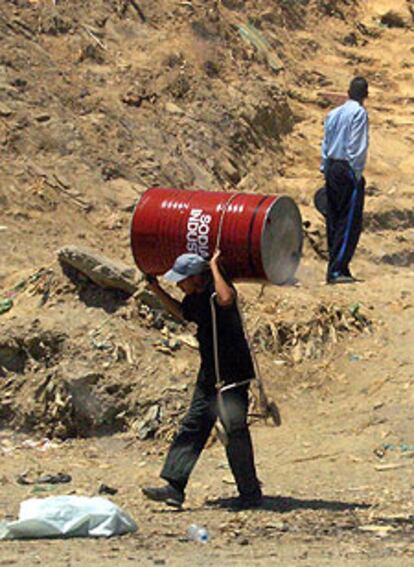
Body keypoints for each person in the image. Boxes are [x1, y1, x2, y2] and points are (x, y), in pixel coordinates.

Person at [142, 251, 262, 509]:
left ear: (197, 277)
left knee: (234, 431)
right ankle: (174, 486)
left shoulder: (216, 290)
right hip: (210, 373)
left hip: (232, 373)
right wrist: (156, 290)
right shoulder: (194, 298)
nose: (178, 284)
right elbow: (183, 313)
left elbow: (227, 299)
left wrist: (215, 267)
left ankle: (250, 493)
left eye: (182, 279)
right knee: (194, 424)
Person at [320, 76, 369, 284]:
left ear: (348, 92)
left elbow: (325, 143)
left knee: (334, 218)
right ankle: (337, 270)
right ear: (365, 96)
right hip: (346, 169)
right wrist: (356, 173)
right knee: (349, 221)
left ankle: (337, 266)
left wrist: (325, 168)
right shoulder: (359, 113)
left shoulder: (334, 113)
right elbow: (356, 146)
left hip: (331, 167)